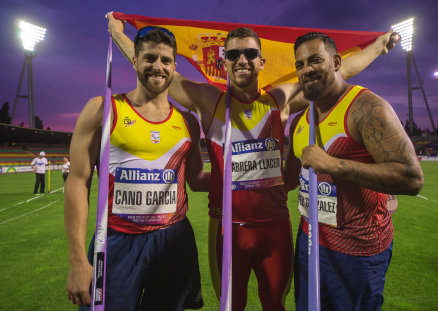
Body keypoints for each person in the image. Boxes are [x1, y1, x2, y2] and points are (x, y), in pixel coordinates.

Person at [106, 14, 399, 311]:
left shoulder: (278, 99)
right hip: (226, 228)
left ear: (261, 62)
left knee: (275, 304)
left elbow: (337, 70)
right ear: (224, 63)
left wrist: (377, 47)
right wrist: (117, 32)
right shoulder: (209, 100)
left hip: (275, 226)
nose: (242, 59)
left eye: (250, 53)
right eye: (233, 54)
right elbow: (155, 67)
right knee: (231, 306)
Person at [65, 27, 209, 311]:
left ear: (174, 66)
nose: (158, 66)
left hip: (173, 240)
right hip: (116, 240)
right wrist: (78, 259)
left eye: (166, 60)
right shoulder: (103, 110)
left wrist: (247, 173)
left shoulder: (189, 122)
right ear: (135, 60)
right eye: (149, 58)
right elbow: (77, 182)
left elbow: (198, 179)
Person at [284, 32, 424, 311]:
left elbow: (412, 178)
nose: (306, 69)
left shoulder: (366, 108)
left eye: (315, 60)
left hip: (357, 250)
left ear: (336, 62)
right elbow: (288, 180)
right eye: (300, 65)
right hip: (310, 240)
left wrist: (333, 165)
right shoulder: (300, 120)